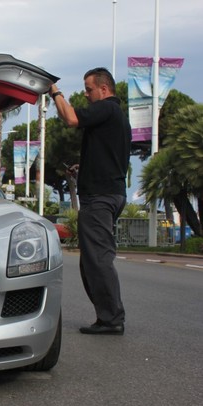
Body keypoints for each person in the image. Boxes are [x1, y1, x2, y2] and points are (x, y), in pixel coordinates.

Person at [49, 67, 131, 335]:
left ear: (104, 90)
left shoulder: (107, 108)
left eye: (88, 89)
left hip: (100, 198)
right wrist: (80, 168)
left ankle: (111, 319)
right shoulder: (115, 117)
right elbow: (108, 156)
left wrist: (54, 91)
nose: (85, 94)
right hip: (110, 194)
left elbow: (71, 118)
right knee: (92, 260)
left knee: (97, 259)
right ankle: (107, 316)